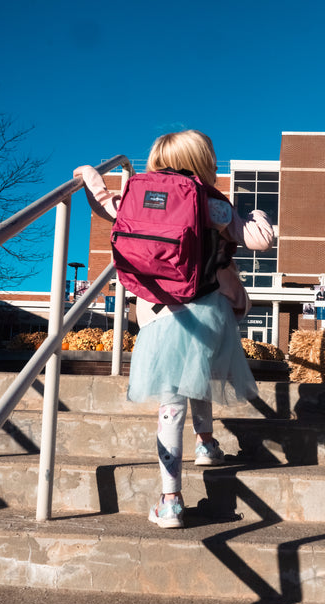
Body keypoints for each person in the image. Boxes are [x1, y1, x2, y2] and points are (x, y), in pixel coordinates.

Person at [74, 130, 275, 528]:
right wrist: (257, 216)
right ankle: (205, 445)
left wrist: (89, 175)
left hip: (159, 311)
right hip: (207, 308)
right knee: (195, 375)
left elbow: (104, 203)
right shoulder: (212, 204)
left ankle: (171, 500)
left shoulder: (135, 194)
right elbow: (259, 241)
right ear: (203, 162)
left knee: (171, 403)